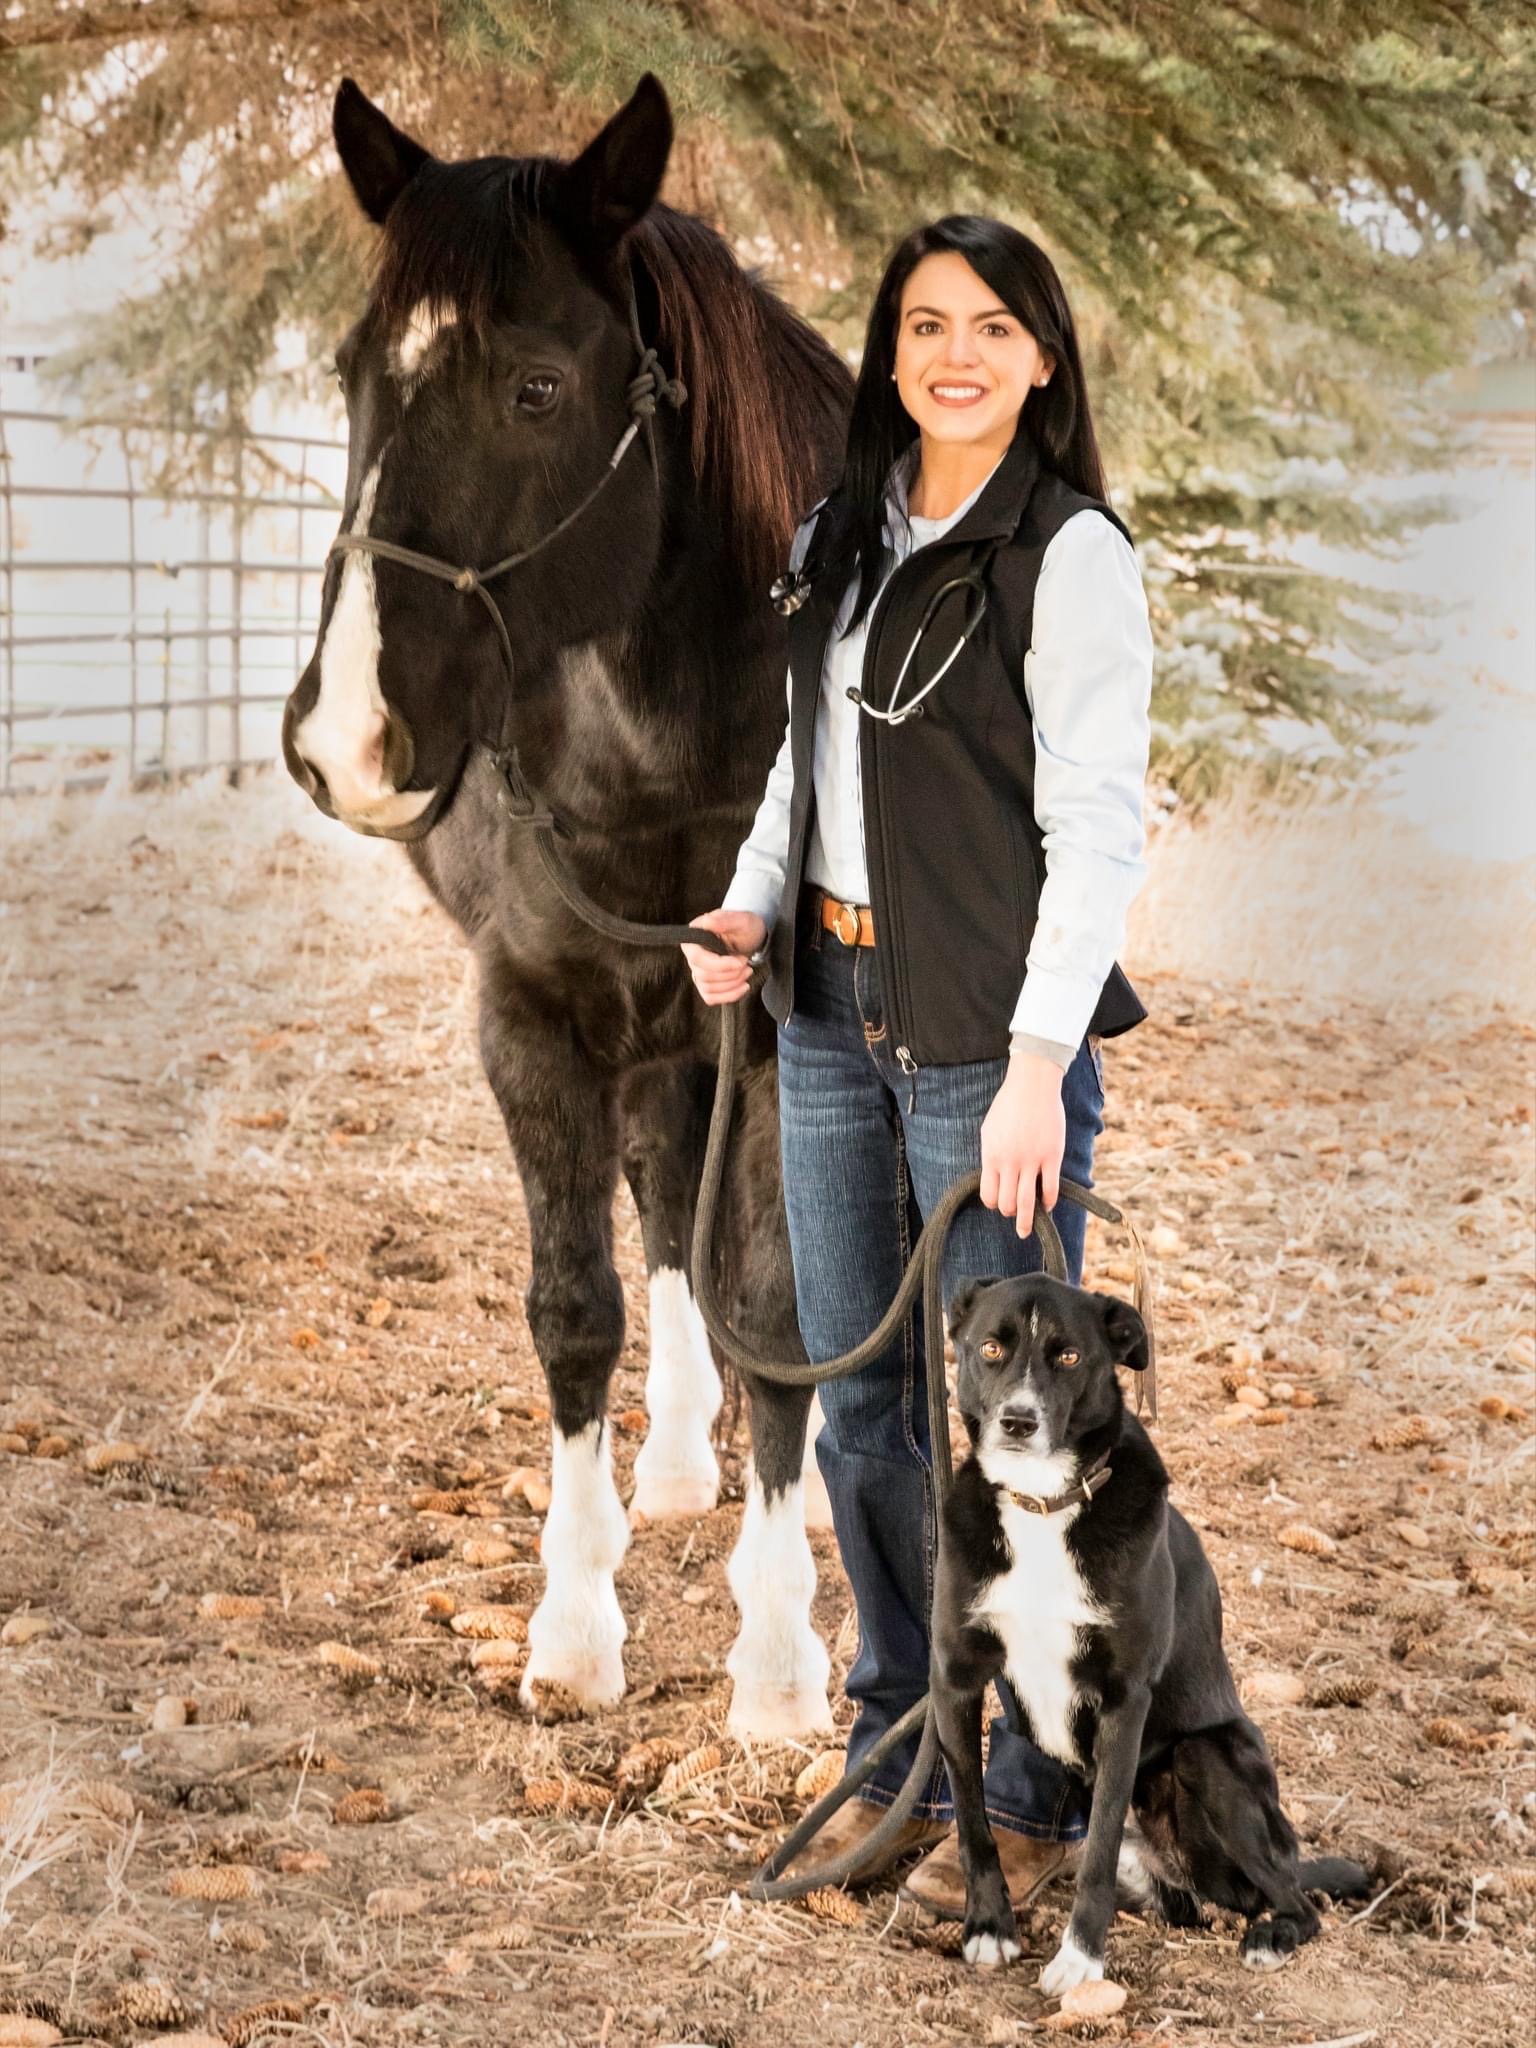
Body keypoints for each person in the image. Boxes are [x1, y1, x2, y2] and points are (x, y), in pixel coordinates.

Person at [681, 215, 1154, 1921]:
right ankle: (900, 1749)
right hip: (821, 1015)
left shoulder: (1069, 553)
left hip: (983, 1040)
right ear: (890, 352)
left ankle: (1022, 1794)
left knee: (1018, 1427)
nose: (956, 353)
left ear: (1042, 358)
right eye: (925, 324)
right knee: (860, 1392)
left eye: (994, 327)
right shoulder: (843, 538)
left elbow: (1099, 827)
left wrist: (1040, 1065)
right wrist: (746, 911)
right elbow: (794, 772)